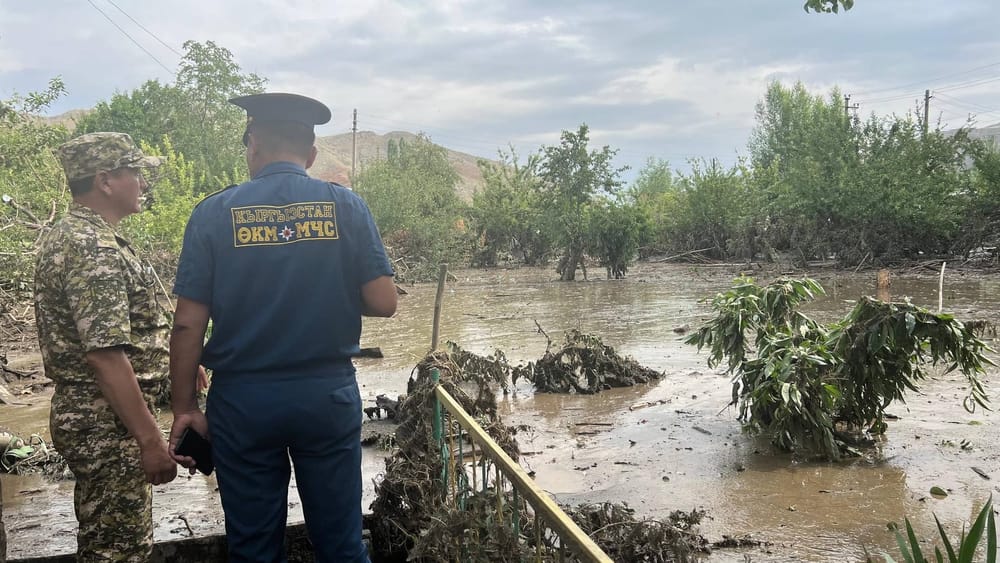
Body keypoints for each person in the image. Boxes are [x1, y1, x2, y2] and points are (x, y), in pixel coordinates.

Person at [169, 92, 397, 563]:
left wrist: (185, 407)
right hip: (325, 396)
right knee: (342, 544)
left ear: (253, 145)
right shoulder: (345, 207)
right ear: (311, 154)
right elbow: (384, 302)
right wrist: (327, 288)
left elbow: (188, 325)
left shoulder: (213, 213)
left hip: (244, 403)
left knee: (253, 547)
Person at [35, 132, 178, 561]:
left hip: (105, 419)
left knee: (109, 542)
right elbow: (104, 355)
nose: (142, 183)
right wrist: (150, 440)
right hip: (108, 424)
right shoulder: (90, 247)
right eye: (134, 173)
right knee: (119, 551)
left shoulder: (82, 236)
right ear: (105, 181)